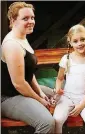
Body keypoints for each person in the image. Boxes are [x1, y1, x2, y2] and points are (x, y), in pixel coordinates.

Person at [1, 2, 55, 133]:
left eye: (32, 17)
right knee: (47, 123)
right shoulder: (12, 45)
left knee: (58, 96)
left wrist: (41, 93)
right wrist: (40, 100)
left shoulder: (22, 37)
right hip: (8, 97)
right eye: (25, 18)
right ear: (13, 20)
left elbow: (28, 74)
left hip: (23, 90)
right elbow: (19, 84)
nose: (31, 21)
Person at [53, 24, 85, 133]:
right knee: (57, 120)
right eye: (75, 41)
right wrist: (58, 89)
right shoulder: (66, 59)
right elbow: (59, 79)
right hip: (67, 97)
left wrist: (81, 105)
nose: (79, 43)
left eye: (82, 39)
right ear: (70, 42)